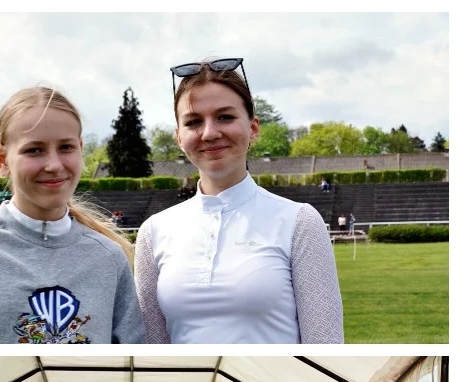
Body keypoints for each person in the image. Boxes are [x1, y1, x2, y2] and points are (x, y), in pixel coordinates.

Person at [0, 86, 144, 344]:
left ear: (80, 149)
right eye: (34, 150)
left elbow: (133, 366)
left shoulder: (108, 257)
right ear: (1, 159)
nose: (54, 165)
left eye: (66, 147)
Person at [135, 58, 343, 343]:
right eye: (194, 122)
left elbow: (326, 348)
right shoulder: (153, 232)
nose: (209, 133)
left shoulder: (299, 222)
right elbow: (153, 350)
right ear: (179, 138)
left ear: (253, 128)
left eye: (225, 117)